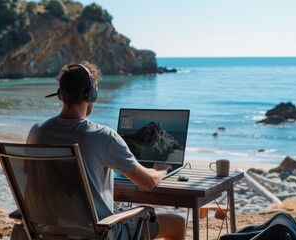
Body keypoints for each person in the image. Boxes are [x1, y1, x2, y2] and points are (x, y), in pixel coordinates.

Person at [23, 61, 186, 239]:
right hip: (99, 233)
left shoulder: (37, 132)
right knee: (177, 222)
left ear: (60, 94)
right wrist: (159, 171)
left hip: (47, 231)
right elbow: (148, 182)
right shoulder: (103, 136)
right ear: (91, 95)